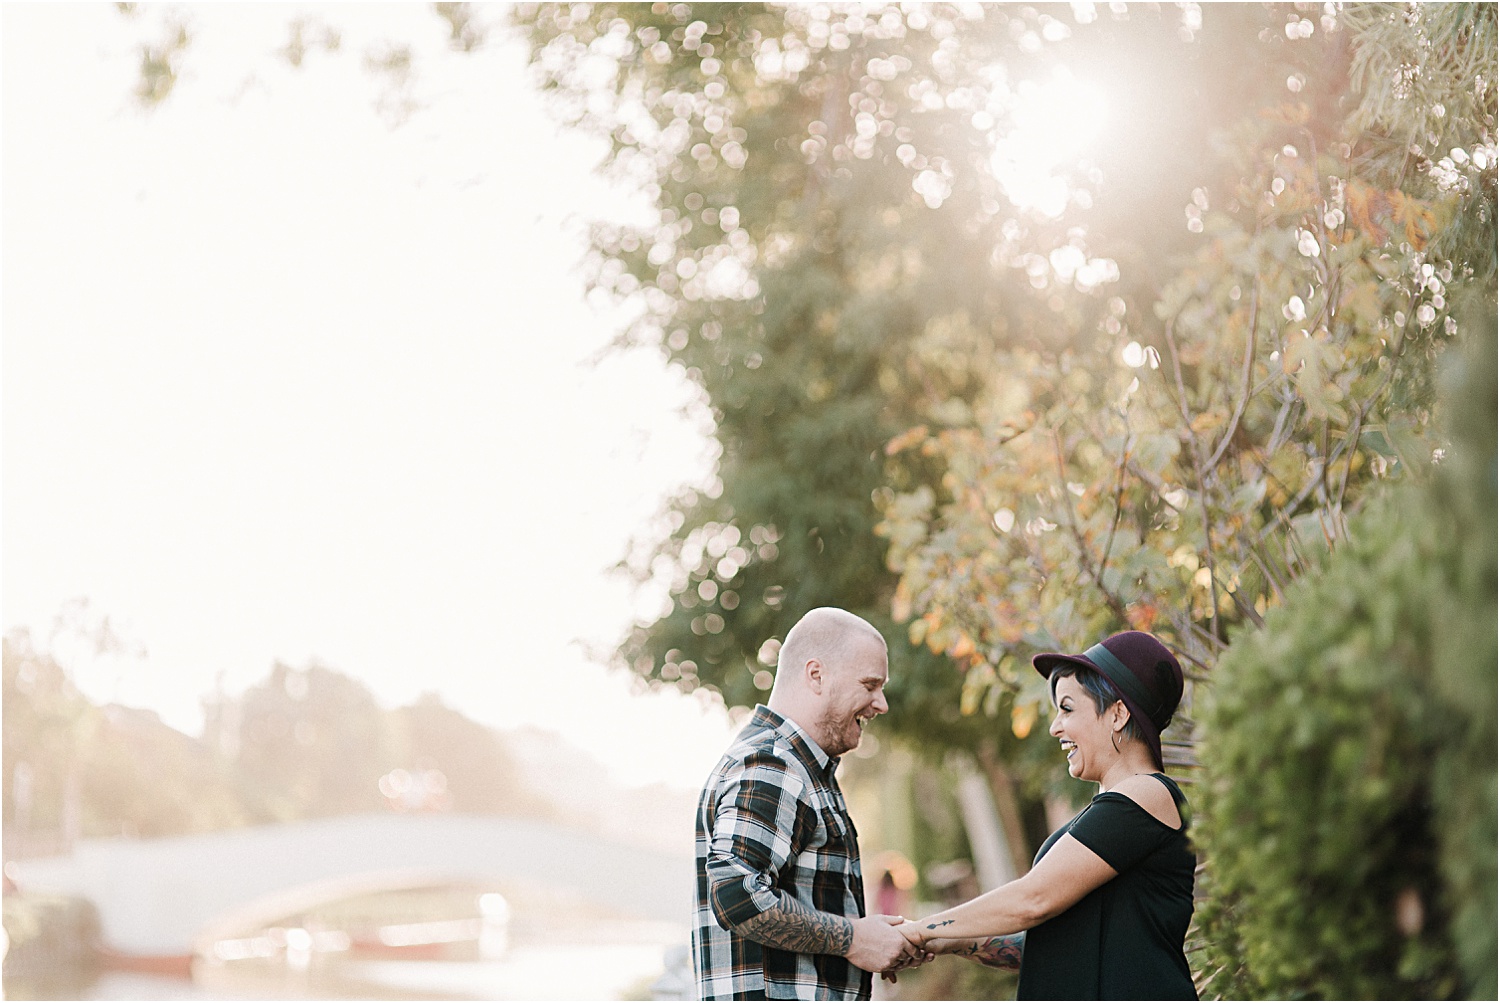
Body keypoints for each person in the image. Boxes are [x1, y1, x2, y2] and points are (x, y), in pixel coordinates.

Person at [895, 630, 1197, 1000]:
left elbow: (1033, 899)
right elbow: (1050, 945)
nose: (1055, 726)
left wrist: (923, 929)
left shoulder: (1148, 794)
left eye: (1067, 708)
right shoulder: (1115, 812)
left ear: (1117, 713)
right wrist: (950, 941)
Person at [693, 607, 924, 1000]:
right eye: (870, 685)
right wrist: (854, 938)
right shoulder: (773, 765)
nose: (881, 703)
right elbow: (736, 894)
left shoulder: (800, 769)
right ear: (816, 675)